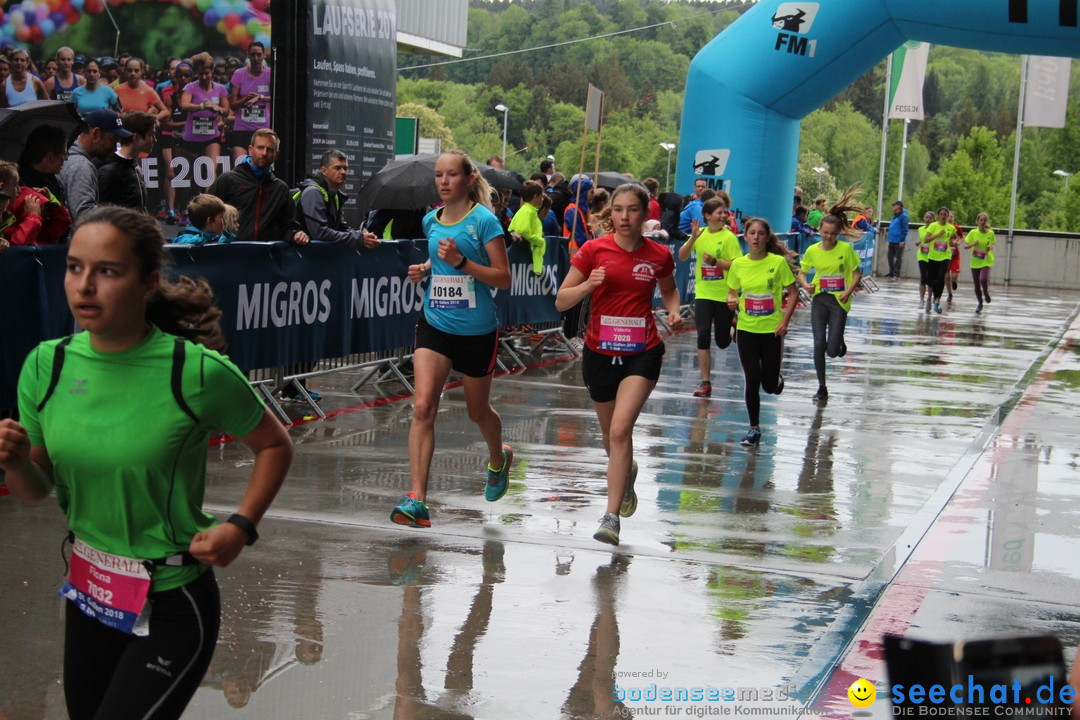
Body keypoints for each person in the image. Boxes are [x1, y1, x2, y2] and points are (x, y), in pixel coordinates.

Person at [0, 206, 293, 720]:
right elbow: (36, 490)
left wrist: (241, 527)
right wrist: (19, 462)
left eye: (107, 271)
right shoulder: (47, 366)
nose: (84, 286)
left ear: (147, 281)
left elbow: (274, 445)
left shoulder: (194, 371)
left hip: (173, 602)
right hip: (91, 592)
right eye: (74, 267)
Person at [390, 150, 513, 530]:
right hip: (435, 324)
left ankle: (498, 458)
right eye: (438, 176)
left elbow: (502, 278)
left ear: (467, 179)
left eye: (451, 175)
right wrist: (424, 268)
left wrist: (461, 263)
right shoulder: (431, 219)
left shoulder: (485, 221)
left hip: (476, 331)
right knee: (423, 406)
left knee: (478, 412)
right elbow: (439, 257)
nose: (443, 182)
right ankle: (418, 500)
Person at [555, 183, 683, 545]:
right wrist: (588, 286)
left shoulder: (658, 254)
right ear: (609, 214)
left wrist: (672, 311)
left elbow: (669, 288)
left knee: (619, 431)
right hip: (599, 351)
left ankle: (610, 517)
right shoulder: (594, 250)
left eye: (632, 210)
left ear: (645, 215)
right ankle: (627, 471)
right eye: (618, 210)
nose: (624, 217)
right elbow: (561, 301)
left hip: (642, 351)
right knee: (611, 438)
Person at [726, 217, 798, 447]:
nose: (756, 238)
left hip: (771, 330)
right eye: (751, 233)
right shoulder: (738, 264)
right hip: (746, 329)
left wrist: (785, 321)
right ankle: (754, 429)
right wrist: (731, 300)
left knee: (768, 386)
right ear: (745, 236)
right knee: (752, 378)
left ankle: (776, 379)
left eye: (760, 234)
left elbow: (793, 292)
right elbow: (732, 292)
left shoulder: (777, 263)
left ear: (767, 237)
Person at [798, 197, 864, 403]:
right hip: (819, 299)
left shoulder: (845, 249)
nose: (828, 237)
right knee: (818, 343)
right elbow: (802, 272)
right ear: (819, 230)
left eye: (833, 234)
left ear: (838, 234)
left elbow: (857, 273)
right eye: (825, 233)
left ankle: (839, 343)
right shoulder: (812, 250)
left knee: (832, 351)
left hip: (839, 301)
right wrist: (805, 284)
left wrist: (848, 291)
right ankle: (821, 387)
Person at [679, 196, 741, 398]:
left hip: (724, 294)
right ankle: (705, 382)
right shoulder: (701, 234)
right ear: (707, 216)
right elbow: (682, 255)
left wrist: (716, 262)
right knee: (703, 334)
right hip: (704, 294)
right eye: (719, 213)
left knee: (723, 342)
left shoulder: (729, 237)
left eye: (725, 213)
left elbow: (737, 265)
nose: (724, 216)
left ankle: (732, 324)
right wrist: (693, 238)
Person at [209, 129, 309, 244]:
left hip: (265, 257)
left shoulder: (280, 189)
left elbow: (288, 227)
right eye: (260, 148)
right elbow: (206, 215)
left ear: (277, 155)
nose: (264, 153)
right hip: (231, 255)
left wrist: (295, 235)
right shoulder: (228, 180)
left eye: (270, 150)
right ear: (250, 150)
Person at [59, 108, 133, 222]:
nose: (114, 148)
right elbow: (84, 216)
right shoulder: (81, 166)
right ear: (96, 133)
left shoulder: (72, 158)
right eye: (113, 141)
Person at [296, 149, 379, 248]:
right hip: (303, 258)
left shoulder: (334, 194)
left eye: (345, 168)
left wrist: (361, 235)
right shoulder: (313, 192)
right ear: (324, 170)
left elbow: (341, 228)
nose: (343, 172)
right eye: (337, 168)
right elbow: (319, 233)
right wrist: (358, 239)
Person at [177, 53, 229, 185]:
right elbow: (184, 105)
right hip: (191, 138)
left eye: (207, 73)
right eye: (200, 74)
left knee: (210, 172)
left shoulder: (220, 89)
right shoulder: (190, 87)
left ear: (212, 70)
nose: (204, 77)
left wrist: (217, 109)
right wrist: (202, 106)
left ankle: (210, 204)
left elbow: (226, 111)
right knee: (193, 177)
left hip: (212, 137)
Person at [97, 111, 157, 213]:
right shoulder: (110, 171)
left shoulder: (134, 165)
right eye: (151, 135)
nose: (154, 140)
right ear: (136, 137)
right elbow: (103, 213)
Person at [0, 160, 71, 246]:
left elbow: (63, 222)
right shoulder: (9, 219)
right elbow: (18, 242)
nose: (19, 190)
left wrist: (53, 203)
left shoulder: (10, 217)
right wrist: (33, 217)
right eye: (15, 185)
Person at [228, 42, 272, 161]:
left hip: (262, 129)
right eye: (253, 55)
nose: (256, 58)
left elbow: (277, 99)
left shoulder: (270, 74)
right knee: (241, 166)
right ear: (248, 55)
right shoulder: (239, 74)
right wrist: (245, 99)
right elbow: (232, 105)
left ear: (264, 56)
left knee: (259, 167)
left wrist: (260, 97)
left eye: (258, 55)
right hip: (241, 129)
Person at [508, 179, 546, 276]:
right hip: (519, 252)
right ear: (535, 197)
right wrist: (538, 240)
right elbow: (523, 230)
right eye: (541, 196)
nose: (542, 199)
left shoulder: (531, 211)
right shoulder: (527, 211)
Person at [114, 57, 169, 123]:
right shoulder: (117, 90)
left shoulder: (148, 90)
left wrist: (152, 119)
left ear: (142, 72)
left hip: (141, 130)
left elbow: (165, 111)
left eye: (136, 70)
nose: (133, 73)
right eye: (130, 70)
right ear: (125, 71)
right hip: (123, 128)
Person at [923, 206, 956, 314]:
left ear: (947, 216)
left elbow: (953, 238)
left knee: (941, 277)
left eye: (945, 214)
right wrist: (938, 235)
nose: (943, 216)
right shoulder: (933, 226)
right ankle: (930, 298)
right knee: (932, 280)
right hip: (932, 256)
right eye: (941, 214)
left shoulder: (950, 228)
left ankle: (937, 300)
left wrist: (952, 244)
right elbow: (926, 239)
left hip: (945, 256)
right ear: (938, 216)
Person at [964, 212, 996, 313]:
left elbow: (993, 243)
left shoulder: (990, 233)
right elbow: (966, 246)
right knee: (977, 284)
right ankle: (980, 303)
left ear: (986, 222)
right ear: (977, 221)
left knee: (983, 279)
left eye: (984, 220)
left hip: (986, 259)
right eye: (980, 220)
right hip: (975, 261)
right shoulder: (973, 232)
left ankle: (986, 292)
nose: (982, 222)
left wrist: (990, 247)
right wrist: (974, 243)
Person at [563, 173, 593, 250]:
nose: (593, 195)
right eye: (591, 192)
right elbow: (580, 237)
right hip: (575, 256)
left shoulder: (584, 210)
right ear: (584, 193)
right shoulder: (572, 211)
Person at [886, 200, 909, 278]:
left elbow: (905, 228)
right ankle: (891, 272)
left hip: (899, 241)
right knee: (890, 256)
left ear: (899, 207)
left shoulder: (903, 216)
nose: (893, 207)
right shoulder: (894, 216)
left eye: (894, 205)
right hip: (892, 240)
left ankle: (896, 273)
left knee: (898, 257)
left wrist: (902, 240)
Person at [916, 211, 934, 308]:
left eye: (930, 218)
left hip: (931, 255)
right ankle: (921, 300)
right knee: (923, 277)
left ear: (933, 220)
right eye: (926, 217)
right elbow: (922, 238)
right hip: (922, 255)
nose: (928, 219)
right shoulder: (920, 229)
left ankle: (929, 299)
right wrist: (918, 242)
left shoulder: (934, 230)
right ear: (924, 218)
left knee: (930, 278)